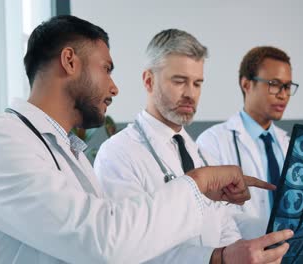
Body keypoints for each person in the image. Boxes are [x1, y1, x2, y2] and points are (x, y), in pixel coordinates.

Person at [0, 15, 293, 263]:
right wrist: (197, 184)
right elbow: (105, 242)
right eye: (107, 68)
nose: (114, 87)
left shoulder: (70, 153)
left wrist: (226, 254)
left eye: (197, 83)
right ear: (70, 61)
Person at [94, 29, 292, 263]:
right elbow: (126, 249)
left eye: (197, 83)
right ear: (149, 81)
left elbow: (225, 230)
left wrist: (255, 254)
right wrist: (219, 258)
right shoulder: (118, 154)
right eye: (179, 81)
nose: (191, 94)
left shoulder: (202, 156)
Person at [197, 46, 298, 239]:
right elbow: (215, 214)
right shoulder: (212, 142)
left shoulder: (289, 144)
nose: (283, 94)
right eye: (274, 84)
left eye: (287, 86)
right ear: (246, 84)